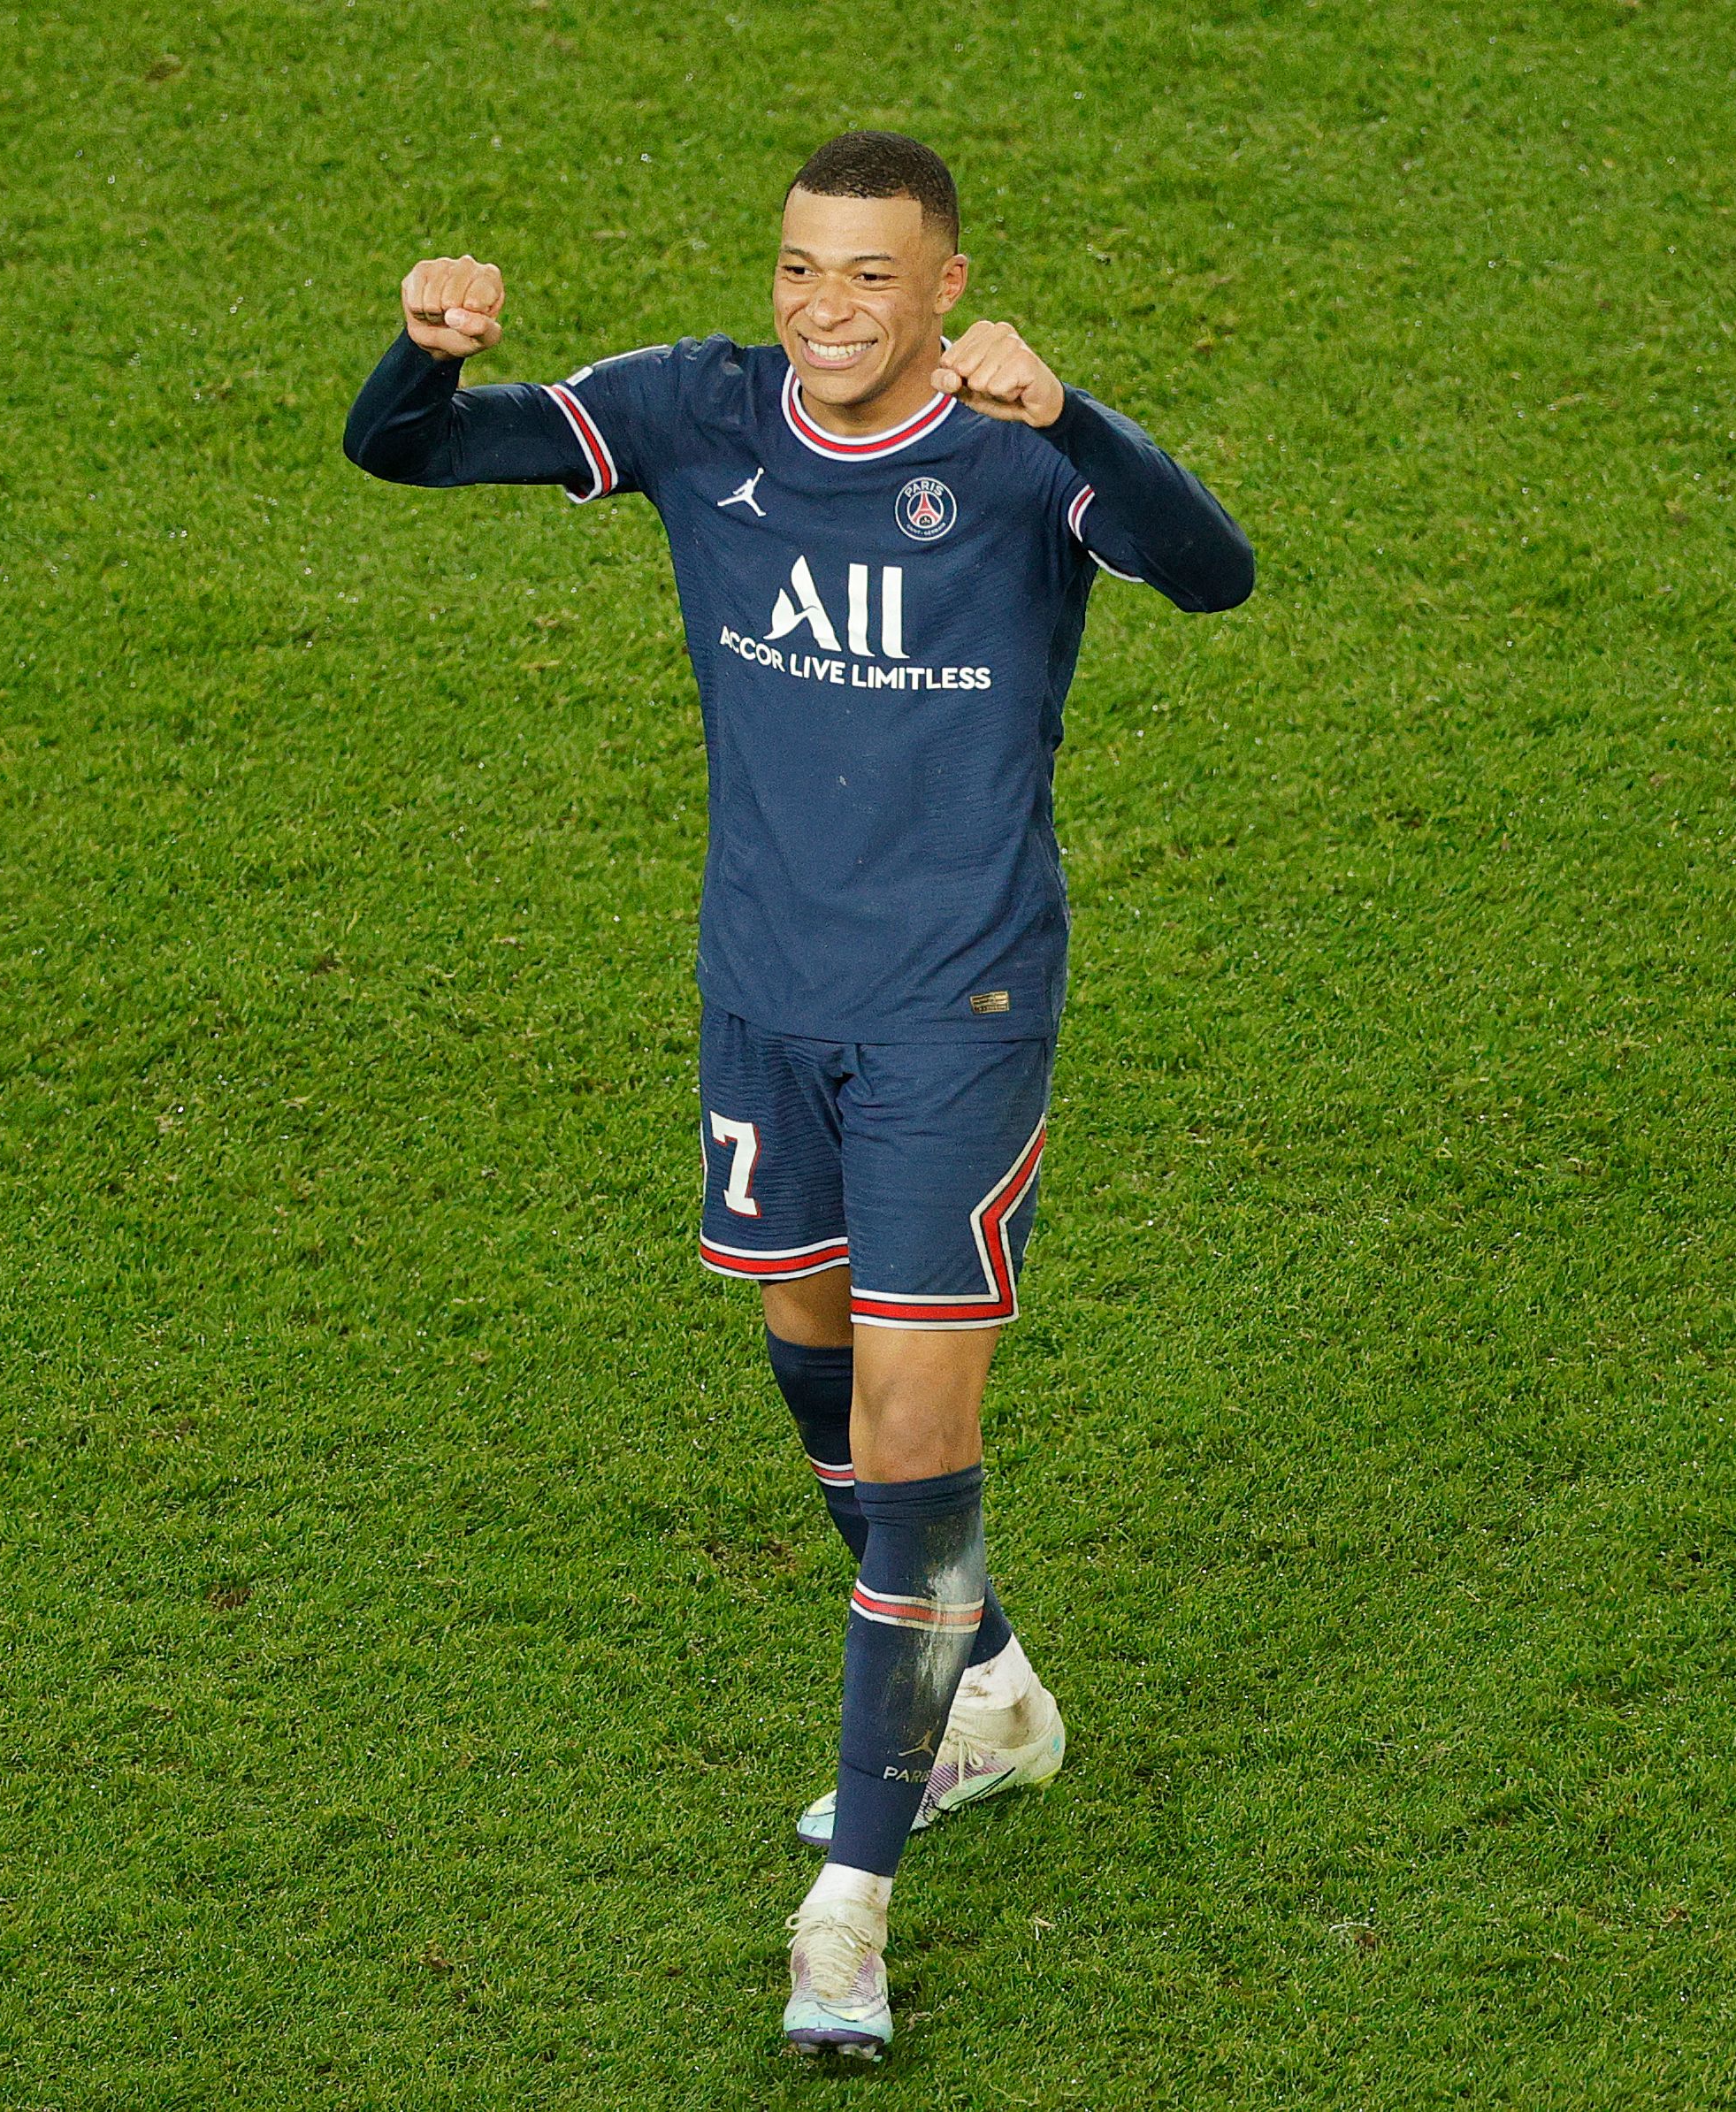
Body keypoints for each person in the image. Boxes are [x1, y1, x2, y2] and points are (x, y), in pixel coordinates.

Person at [340, 130, 1253, 2056]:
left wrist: (1078, 417)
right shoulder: (700, 412)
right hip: (764, 996)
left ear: (945, 289)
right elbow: (406, 453)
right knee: (807, 1355)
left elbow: (1214, 574)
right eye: (797, 269)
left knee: (916, 1446)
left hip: (954, 1013)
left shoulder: (1017, 457)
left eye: (867, 276)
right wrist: (421, 355)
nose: (824, 309)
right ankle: (989, 1692)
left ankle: (847, 1915)